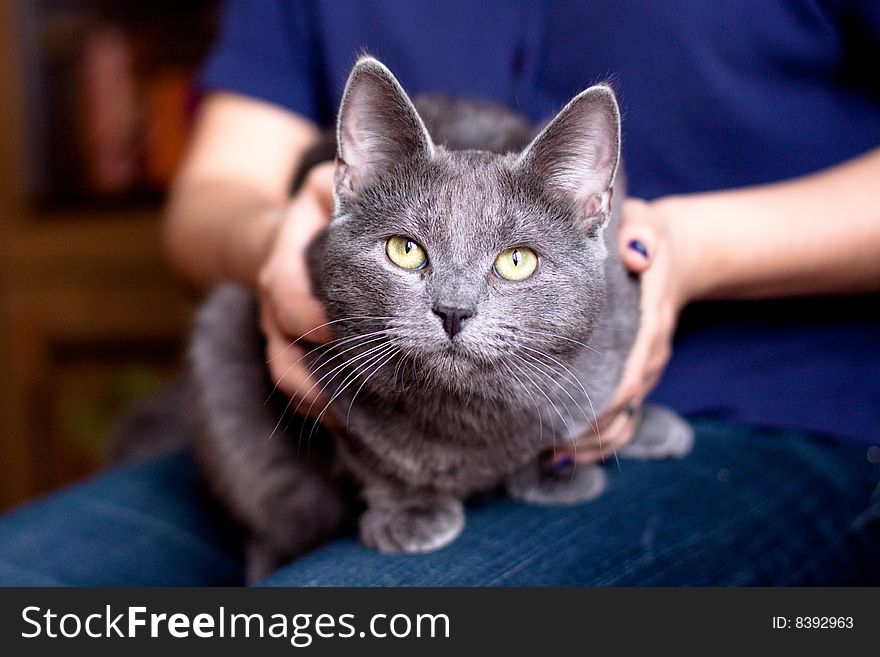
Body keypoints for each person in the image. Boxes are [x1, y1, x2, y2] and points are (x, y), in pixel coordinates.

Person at [0, 0, 878, 585]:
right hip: (333, 421)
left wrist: (692, 248)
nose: (456, 301)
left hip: (770, 402)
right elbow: (214, 193)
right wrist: (270, 242)